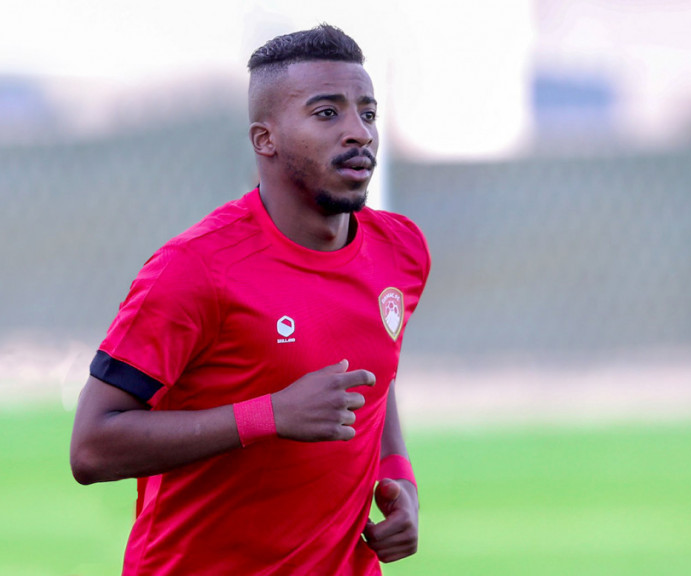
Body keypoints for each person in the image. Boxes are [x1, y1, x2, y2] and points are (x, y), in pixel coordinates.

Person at [70, 23, 430, 575]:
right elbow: (92, 447)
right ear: (266, 139)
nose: (359, 132)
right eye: (327, 113)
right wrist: (270, 414)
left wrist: (398, 475)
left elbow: (374, 374)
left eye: (368, 113)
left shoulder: (401, 250)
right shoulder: (195, 268)